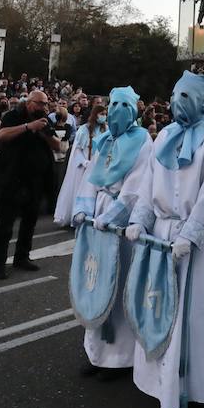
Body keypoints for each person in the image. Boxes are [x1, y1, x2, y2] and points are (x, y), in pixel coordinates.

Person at [124, 71, 204, 408]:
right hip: (161, 238)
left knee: (197, 317)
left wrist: (190, 235)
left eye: (187, 95)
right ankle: (162, 385)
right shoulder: (165, 138)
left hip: (196, 243)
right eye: (176, 94)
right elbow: (149, 185)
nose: (179, 101)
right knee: (160, 311)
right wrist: (140, 220)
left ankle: (201, 395)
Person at [71, 88, 149, 378]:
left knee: (118, 286)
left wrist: (110, 217)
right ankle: (95, 353)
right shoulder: (105, 140)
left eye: (123, 105)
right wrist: (84, 208)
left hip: (117, 223)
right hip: (96, 219)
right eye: (112, 103)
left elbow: (136, 187)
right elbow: (92, 177)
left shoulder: (143, 142)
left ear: (133, 110)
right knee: (94, 283)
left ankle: (118, 359)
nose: (116, 109)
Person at [0, 90, 60, 278]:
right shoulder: (14, 116)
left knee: (30, 221)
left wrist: (45, 134)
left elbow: (58, 145)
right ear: (29, 103)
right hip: (13, 177)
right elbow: (2, 135)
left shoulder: (45, 120)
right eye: (40, 103)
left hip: (36, 179)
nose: (44, 107)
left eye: (46, 104)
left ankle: (22, 256)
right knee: (6, 223)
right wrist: (29, 126)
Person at [54, 99, 105, 227]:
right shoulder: (84, 129)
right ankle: (76, 215)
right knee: (79, 191)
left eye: (105, 114)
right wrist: (84, 162)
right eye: (101, 113)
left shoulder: (106, 129)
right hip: (84, 166)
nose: (104, 116)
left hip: (98, 166)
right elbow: (78, 150)